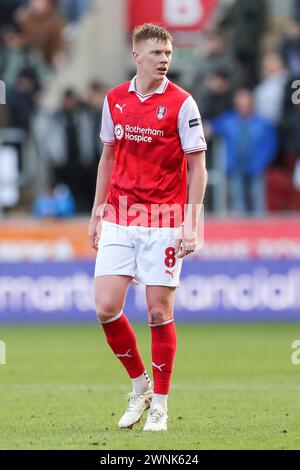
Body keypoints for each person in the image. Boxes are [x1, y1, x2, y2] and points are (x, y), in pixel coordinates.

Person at [88, 23, 207, 432]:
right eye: (157, 53)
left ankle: (160, 403)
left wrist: (192, 223)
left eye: (168, 54)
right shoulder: (114, 99)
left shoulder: (183, 103)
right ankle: (139, 386)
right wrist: (97, 210)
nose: (164, 60)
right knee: (105, 307)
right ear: (137, 55)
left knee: (158, 312)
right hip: (120, 214)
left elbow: (198, 167)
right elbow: (108, 156)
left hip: (163, 220)